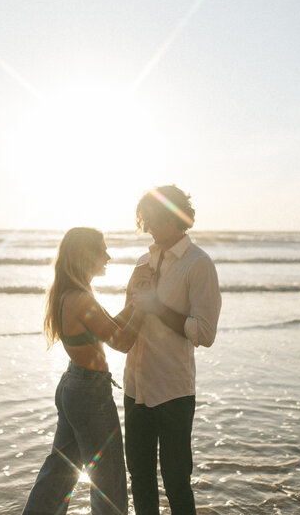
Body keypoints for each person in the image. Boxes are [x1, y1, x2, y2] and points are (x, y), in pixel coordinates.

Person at [22, 227, 149, 515]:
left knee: (59, 473)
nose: (108, 256)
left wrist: (132, 304)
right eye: (101, 250)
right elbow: (122, 341)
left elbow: (110, 327)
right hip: (90, 395)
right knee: (109, 478)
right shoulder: (81, 298)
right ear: (85, 255)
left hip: (73, 387)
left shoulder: (71, 294)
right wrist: (143, 308)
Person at [123, 185, 222, 515]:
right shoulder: (142, 261)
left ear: (178, 218)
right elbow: (130, 317)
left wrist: (157, 307)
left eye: (154, 218)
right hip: (135, 386)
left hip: (172, 391)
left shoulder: (199, 264)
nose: (148, 226)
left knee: (177, 480)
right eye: (145, 219)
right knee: (139, 478)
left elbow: (205, 333)